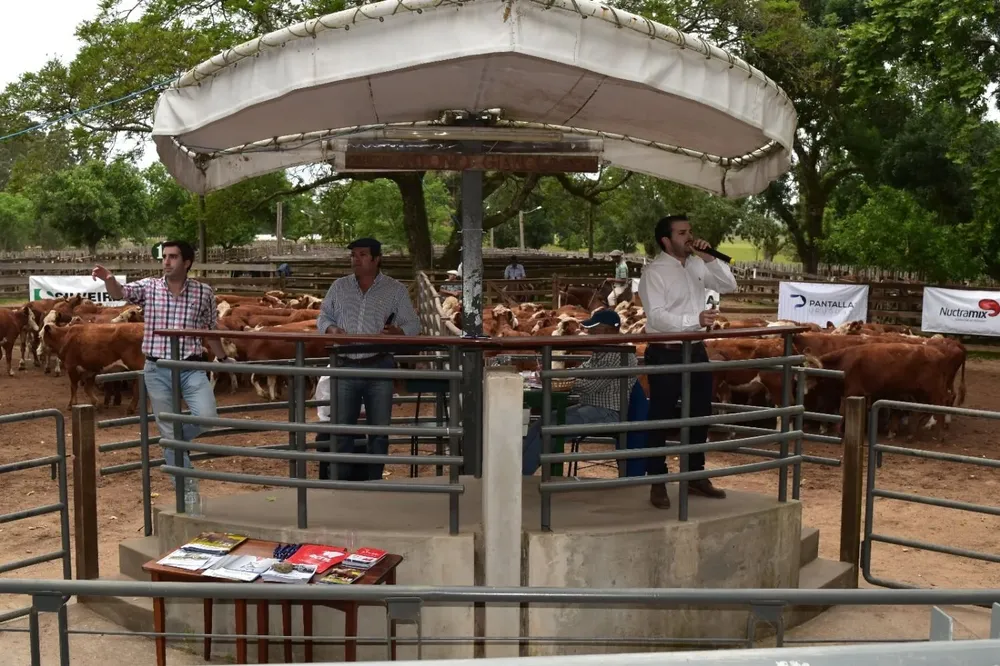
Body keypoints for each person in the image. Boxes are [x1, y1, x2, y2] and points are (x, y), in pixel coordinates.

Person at [91, 240, 232, 489]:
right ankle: (188, 493)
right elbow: (119, 293)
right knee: (167, 428)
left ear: (187, 262)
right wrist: (109, 278)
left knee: (208, 417)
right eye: (165, 257)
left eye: (173, 257)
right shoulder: (149, 287)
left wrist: (222, 357)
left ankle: (173, 441)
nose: (166, 261)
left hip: (191, 366)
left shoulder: (203, 292)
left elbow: (210, 330)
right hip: (157, 367)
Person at [637, 215, 737, 509]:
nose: (690, 237)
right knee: (662, 417)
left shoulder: (696, 264)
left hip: (694, 349)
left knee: (699, 413)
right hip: (666, 350)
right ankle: (657, 479)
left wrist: (709, 258)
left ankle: (694, 475)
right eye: (682, 233)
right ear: (666, 240)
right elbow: (656, 317)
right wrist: (695, 319)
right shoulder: (654, 272)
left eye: (690, 231)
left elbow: (728, 284)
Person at [313, 237, 420, 481]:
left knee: (379, 431)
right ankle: (341, 482)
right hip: (345, 363)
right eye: (353, 255)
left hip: (378, 364)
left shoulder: (395, 290)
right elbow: (323, 317)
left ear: (376, 258)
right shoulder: (339, 287)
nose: (355, 259)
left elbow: (413, 323)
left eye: (362, 254)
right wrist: (331, 329)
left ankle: (374, 480)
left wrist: (399, 332)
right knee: (341, 430)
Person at [521, 309, 638, 476]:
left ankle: (522, 475)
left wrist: (561, 379)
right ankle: (517, 468)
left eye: (594, 330)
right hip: (591, 407)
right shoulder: (604, 352)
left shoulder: (617, 355)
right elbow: (582, 370)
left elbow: (590, 385)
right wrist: (559, 376)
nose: (588, 333)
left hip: (607, 412)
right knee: (544, 421)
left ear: (608, 330)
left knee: (552, 428)